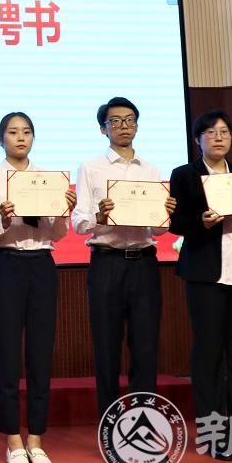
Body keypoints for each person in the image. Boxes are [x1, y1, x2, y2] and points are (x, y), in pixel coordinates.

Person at [168, 110, 232, 461]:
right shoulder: (184, 174)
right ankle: (213, 436)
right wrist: (202, 222)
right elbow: (176, 222)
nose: (218, 137)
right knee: (209, 355)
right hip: (205, 275)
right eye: (210, 132)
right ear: (198, 139)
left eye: (224, 132)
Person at [0, 112, 75, 463]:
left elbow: (58, 234)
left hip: (43, 265)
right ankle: (13, 440)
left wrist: (63, 212)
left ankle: (36, 438)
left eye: (27, 132)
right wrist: (1, 222)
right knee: (7, 352)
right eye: (13, 132)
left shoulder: (48, 180)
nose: (20, 137)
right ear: (0, 139)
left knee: (40, 353)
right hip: (7, 265)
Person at [71, 96, 176, 416]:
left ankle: (144, 419)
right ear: (103, 129)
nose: (123, 126)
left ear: (137, 126)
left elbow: (158, 231)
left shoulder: (151, 168)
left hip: (144, 263)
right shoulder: (91, 168)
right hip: (107, 262)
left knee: (145, 348)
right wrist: (100, 217)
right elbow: (79, 223)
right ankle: (111, 422)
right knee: (107, 348)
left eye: (130, 120)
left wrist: (165, 214)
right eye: (115, 121)